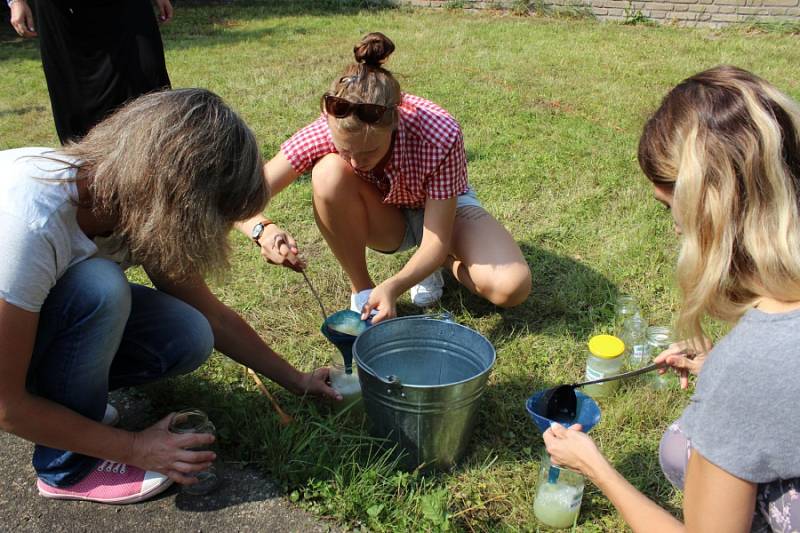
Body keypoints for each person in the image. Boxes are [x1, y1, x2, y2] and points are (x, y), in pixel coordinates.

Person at [0, 89, 338, 505]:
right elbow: (7, 406)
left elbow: (211, 316)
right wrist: (133, 447)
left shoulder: (130, 201)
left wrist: (297, 380)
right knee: (99, 287)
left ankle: (70, 405)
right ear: (177, 201)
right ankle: (66, 469)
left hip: (28, 326)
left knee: (188, 332)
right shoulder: (29, 223)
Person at [543, 66, 800, 532]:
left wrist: (596, 468)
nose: (677, 229)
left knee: (684, 444)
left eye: (671, 209)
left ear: (710, 208)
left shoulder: (747, 371)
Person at [237, 32, 531, 323]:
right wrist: (263, 230)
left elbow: (436, 238)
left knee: (511, 287)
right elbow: (236, 200)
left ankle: (439, 263)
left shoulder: (439, 132)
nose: (355, 161)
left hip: (442, 208)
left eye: (369, 151)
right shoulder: (324, 130)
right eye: (345, 150)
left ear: (396, 122)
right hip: (386, 215)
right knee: (328, 172)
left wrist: (394, 284)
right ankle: (363, 293)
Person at [7, 0, 173, 143]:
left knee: (149, 79)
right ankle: (86, 170)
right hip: (64, 14)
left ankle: (157, 162)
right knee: (79, 99)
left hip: (127, 8)